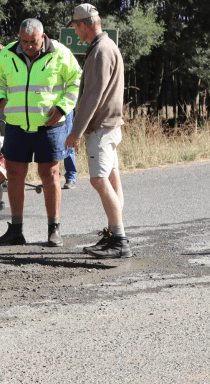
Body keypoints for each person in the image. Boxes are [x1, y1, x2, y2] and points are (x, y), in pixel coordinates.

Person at [0, 18, 81, 247]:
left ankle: (54, 229)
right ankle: (16, 231)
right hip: (16, 125)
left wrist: (62, 108)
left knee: (49, 175)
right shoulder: (8, 53)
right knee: (15, 175)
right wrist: (0, 100)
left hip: (49, 126)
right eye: (24, 41)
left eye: (33, 41)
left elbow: (75, 81)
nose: (29, 45)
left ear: (43, 36)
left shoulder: (61, 53)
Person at [65, 4, 130, 258]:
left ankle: (120, 240)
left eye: (76, 26)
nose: (76, 31)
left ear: (83, 25)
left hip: (101, 128)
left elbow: (92, 97)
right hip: (111, 126)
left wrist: (76, 132)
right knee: (113, 180)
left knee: (99, 180)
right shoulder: (108, 46)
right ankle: (115, 234)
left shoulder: (100, 51)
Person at [62, 110, 77, 189]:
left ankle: (71, 178)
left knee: (67, 142)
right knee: (50, 143)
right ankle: (52, 178)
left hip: (66, 108)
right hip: (48, 107)